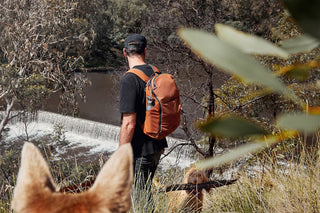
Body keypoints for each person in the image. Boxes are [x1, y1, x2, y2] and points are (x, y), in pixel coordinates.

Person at [119, 34, 168, 210]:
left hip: (139, 151)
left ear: (125, 52)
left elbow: (128, 124)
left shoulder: (129, 79)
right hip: (157, 145)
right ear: (145, 51)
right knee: (144, 193)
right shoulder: (156, 73)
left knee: (141, 201)